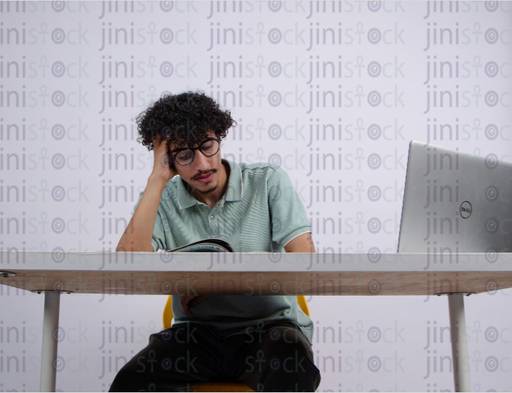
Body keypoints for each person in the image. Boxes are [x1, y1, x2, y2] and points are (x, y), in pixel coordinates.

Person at [110, 92, 321, 392]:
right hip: (196, 336)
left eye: (208, 146)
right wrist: (156, 180)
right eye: (184, 155)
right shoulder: (163, 199)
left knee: (291, 366)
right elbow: (127, 265)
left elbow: (305, 262)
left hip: (270, 330)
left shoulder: (267, 181)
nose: (201, 164)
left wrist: (217, 283)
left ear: (219, 137)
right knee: (132, 381)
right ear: (168, 159)